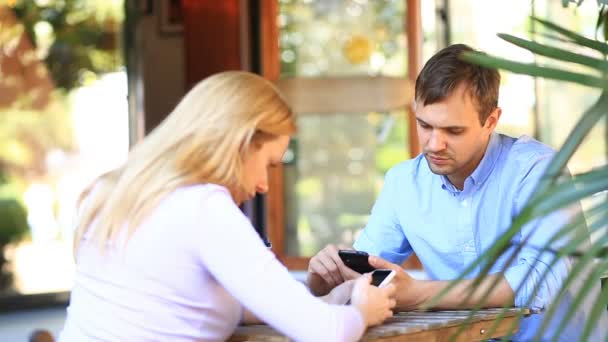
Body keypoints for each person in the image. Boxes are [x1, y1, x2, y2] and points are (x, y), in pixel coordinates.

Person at [58, 71, 396, 341]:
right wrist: (363, 311)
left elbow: (192, 305)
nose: (264, 185)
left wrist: (327, 301)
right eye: (268, 163)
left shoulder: (109, 192)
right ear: (242, 143)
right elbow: (327, 334)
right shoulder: (202, 208)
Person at [307, 44, 607, 341]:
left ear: (490, 120)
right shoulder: (403, 183)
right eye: (424, 125)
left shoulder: (538, 171)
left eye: (453, 131)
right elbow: (367, 274)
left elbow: (540, 282)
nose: (434, 144)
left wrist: (418, 294)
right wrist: (326, 279)